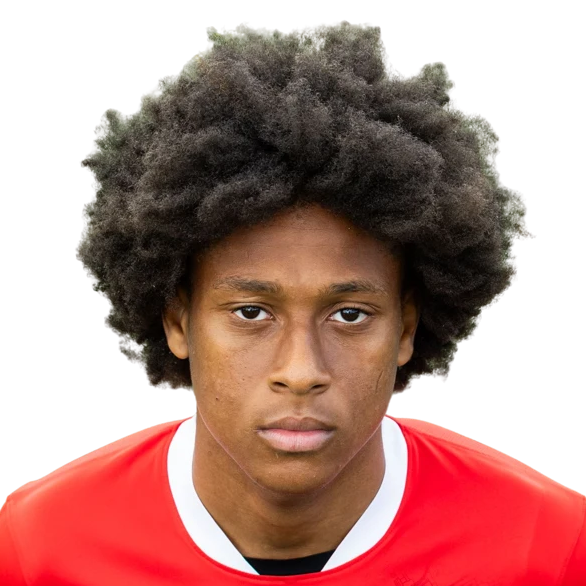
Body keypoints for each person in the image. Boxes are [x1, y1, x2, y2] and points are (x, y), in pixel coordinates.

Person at [1, 21, 583, 584]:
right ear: (178, 320)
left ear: (406, 328)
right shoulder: (39, 545)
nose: (301, 371)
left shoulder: (547, 545)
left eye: (349, 315)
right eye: (251, 312)